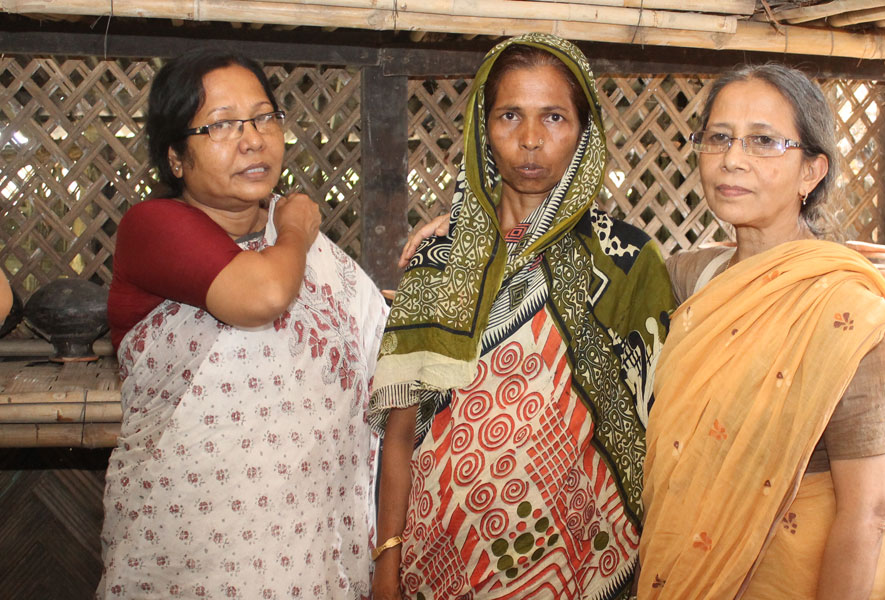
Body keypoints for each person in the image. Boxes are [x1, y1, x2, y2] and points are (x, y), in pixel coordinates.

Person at [637, 64, 885, 599]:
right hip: (685, 574)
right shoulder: (690, 280)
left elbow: (871, 509)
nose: (732, 158)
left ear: (812, 172)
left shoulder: (845, 314)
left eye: (764, 141)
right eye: (719, 138)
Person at [369, 33, 674, 600]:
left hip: (580, 566)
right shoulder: (438, 261)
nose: (531, 140)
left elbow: (664, 434)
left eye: (554, 117)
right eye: (510, 115)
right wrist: (387, 561)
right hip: (437, 564)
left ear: (585, 132)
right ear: (482, 130)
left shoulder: (628, 261)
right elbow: (400, 432)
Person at [99, 48, 388, 599]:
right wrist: (297, 227)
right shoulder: (154, 226)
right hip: (194, 549)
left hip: (313, 545)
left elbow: (375, 338)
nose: (253, 139)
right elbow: (263, 295)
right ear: (176, 158)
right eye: (222, 125)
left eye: (263, 117)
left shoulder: (299, 248)